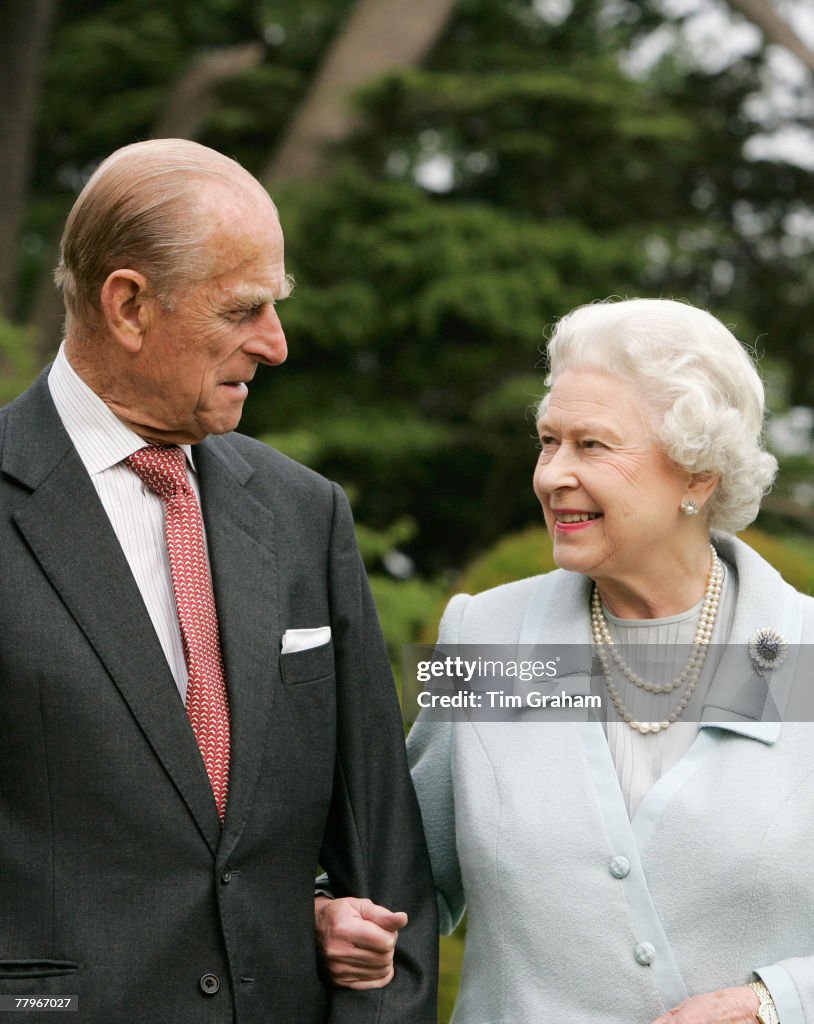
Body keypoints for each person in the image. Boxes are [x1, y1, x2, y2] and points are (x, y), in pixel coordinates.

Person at [0, 138, 437, 1024]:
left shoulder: (305, 513)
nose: (274, 344)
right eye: (243, 309)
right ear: (128, 305)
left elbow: (385, 862)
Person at [317, 297, 814, 1024]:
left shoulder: (799, 650)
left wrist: (777, 1004)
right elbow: (403, 877)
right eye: (549, 442)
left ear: (699, 476)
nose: (552, 476)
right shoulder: (491, 635)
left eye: (592, 445)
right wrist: (333, 912)